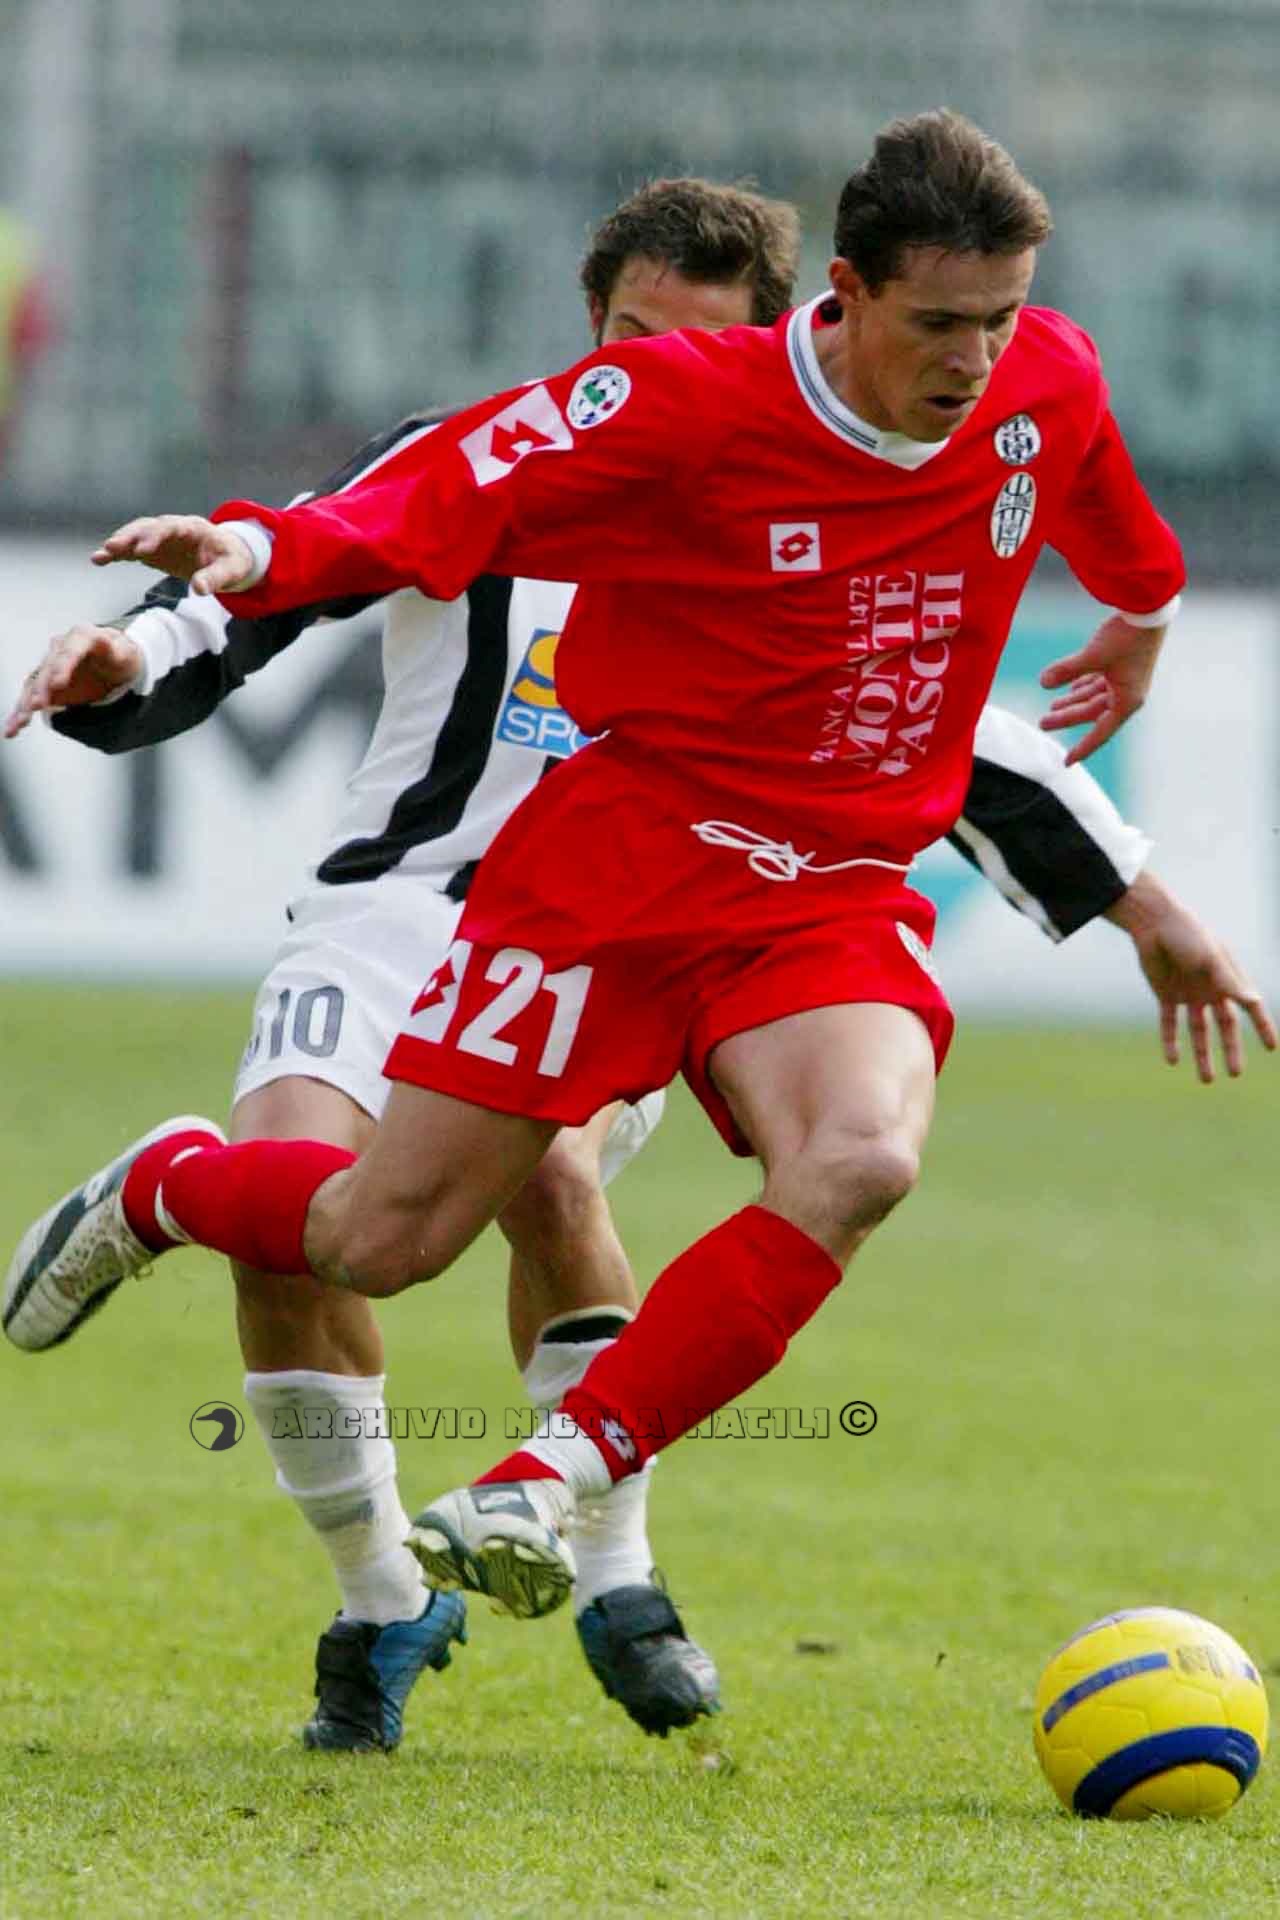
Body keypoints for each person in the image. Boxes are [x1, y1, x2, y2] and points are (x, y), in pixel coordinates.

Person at [6, 117, 1273, 1637]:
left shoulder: (1038, 377)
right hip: (605, 869)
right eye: (942, 322)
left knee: (861, 1157)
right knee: (376, 1242)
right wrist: (254, 558)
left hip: (822, 885)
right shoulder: (674, 407)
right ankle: (168, 1186)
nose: (977, 358)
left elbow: (1092, 519)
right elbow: (431, 492)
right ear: (853, 295)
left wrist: (1144, 621)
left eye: (1000, 317)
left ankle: (557, 1488)